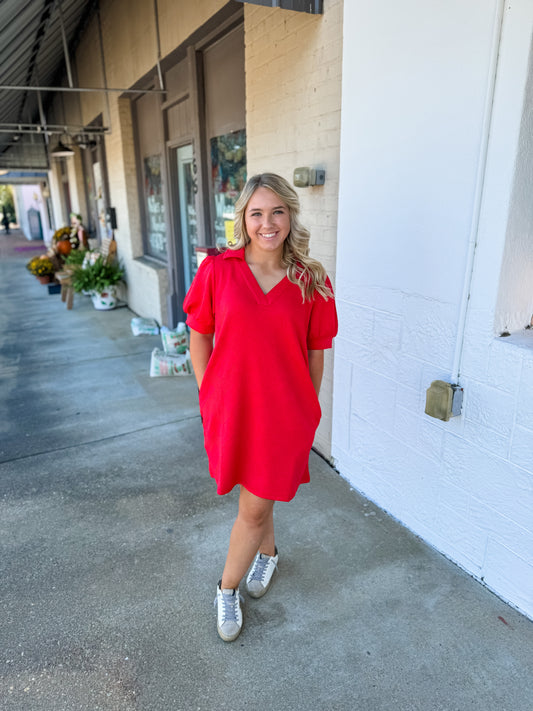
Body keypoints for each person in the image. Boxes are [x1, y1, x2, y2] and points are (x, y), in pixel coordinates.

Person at [183, 173, 338, 642]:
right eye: (257, 213)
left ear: (290, 215)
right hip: (231, 407)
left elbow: (316, 352)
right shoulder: (219, 270)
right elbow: (199, 334)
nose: (267, 223)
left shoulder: (310, 279)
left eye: (277, 212)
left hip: (284, 414)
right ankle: (267, 554)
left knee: (252, 508)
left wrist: (306, 412)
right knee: (254, 492)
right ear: (243, 219)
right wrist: (207, 393)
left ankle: (225, 587)